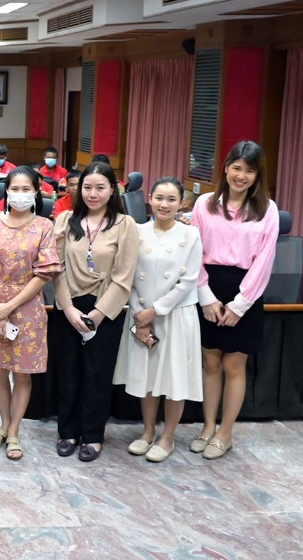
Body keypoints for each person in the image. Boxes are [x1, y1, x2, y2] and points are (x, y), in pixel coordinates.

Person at [190, 141, 278, 460]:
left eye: (249, 170)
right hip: (209, 288)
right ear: (226, 167)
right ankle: (207, 425)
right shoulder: (204, 204)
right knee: (210, 361)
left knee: (233, 364)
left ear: (257, 176)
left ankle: (225, 433)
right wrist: (206, 297)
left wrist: (240, 305)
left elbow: (265, 261)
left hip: (246, 291)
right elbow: (193, 252)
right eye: (237, 167)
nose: (241, 176)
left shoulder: (268, 210)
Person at [53, 161, 138, 462]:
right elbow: (56, 269)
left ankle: (92, 435)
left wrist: (96, 316)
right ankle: (68, 431)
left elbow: (124, 277)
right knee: (68, 373)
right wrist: (69, 310)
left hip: (105, 310)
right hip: (69, 308)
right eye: (87, 187)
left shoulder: (125, 225)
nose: (92, 193)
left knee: (96, 374)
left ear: (112, 189)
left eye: (100, 187)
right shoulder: (65, 220)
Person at [114, 177, 203, 463]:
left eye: (171, 199)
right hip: (140, 313)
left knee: (173, 376)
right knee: (148, 376)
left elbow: (189, 280)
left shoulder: (191, 235)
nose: (164, 204)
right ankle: (148, 431)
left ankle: (168, 436)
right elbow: (125, 273)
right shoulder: (136, 231)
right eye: (159, 198)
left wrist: (155, 311)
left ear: (182, 203)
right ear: (150, 198)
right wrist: (141, 314)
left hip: (175, 314)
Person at [0, 167, 61, 461]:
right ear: (6, 191)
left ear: (37, 192)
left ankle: (14, 432)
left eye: (27, 189)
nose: (20, 194)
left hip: (27, 306)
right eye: (15, 189)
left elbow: (45, 273)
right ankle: (2, 424)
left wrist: (9, 307)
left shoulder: (44, 226)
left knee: (22, 373)